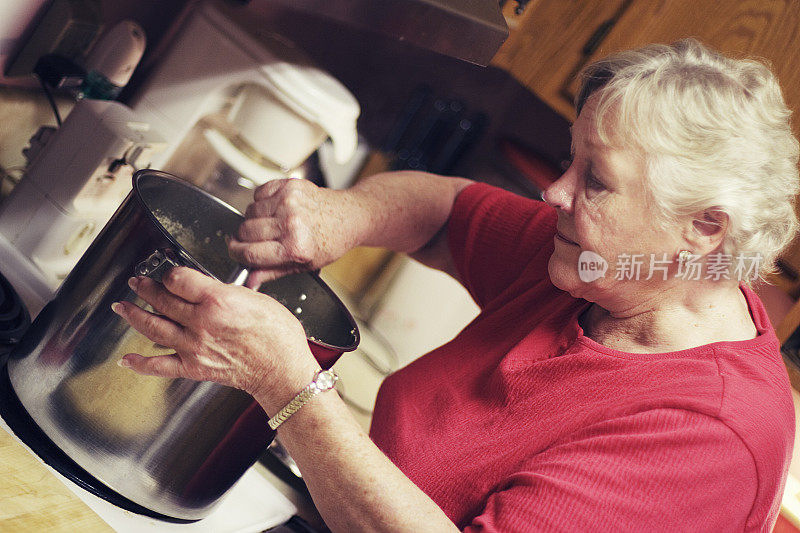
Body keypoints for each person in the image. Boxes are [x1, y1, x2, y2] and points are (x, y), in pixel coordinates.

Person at [112, 39, 798, 531]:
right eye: (571, 159)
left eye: (596, 178)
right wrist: (343, 213)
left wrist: (290, 387)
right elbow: (444, 213)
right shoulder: (599, 268)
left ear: (705, 229)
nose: (554, 191)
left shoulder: (710, 435)